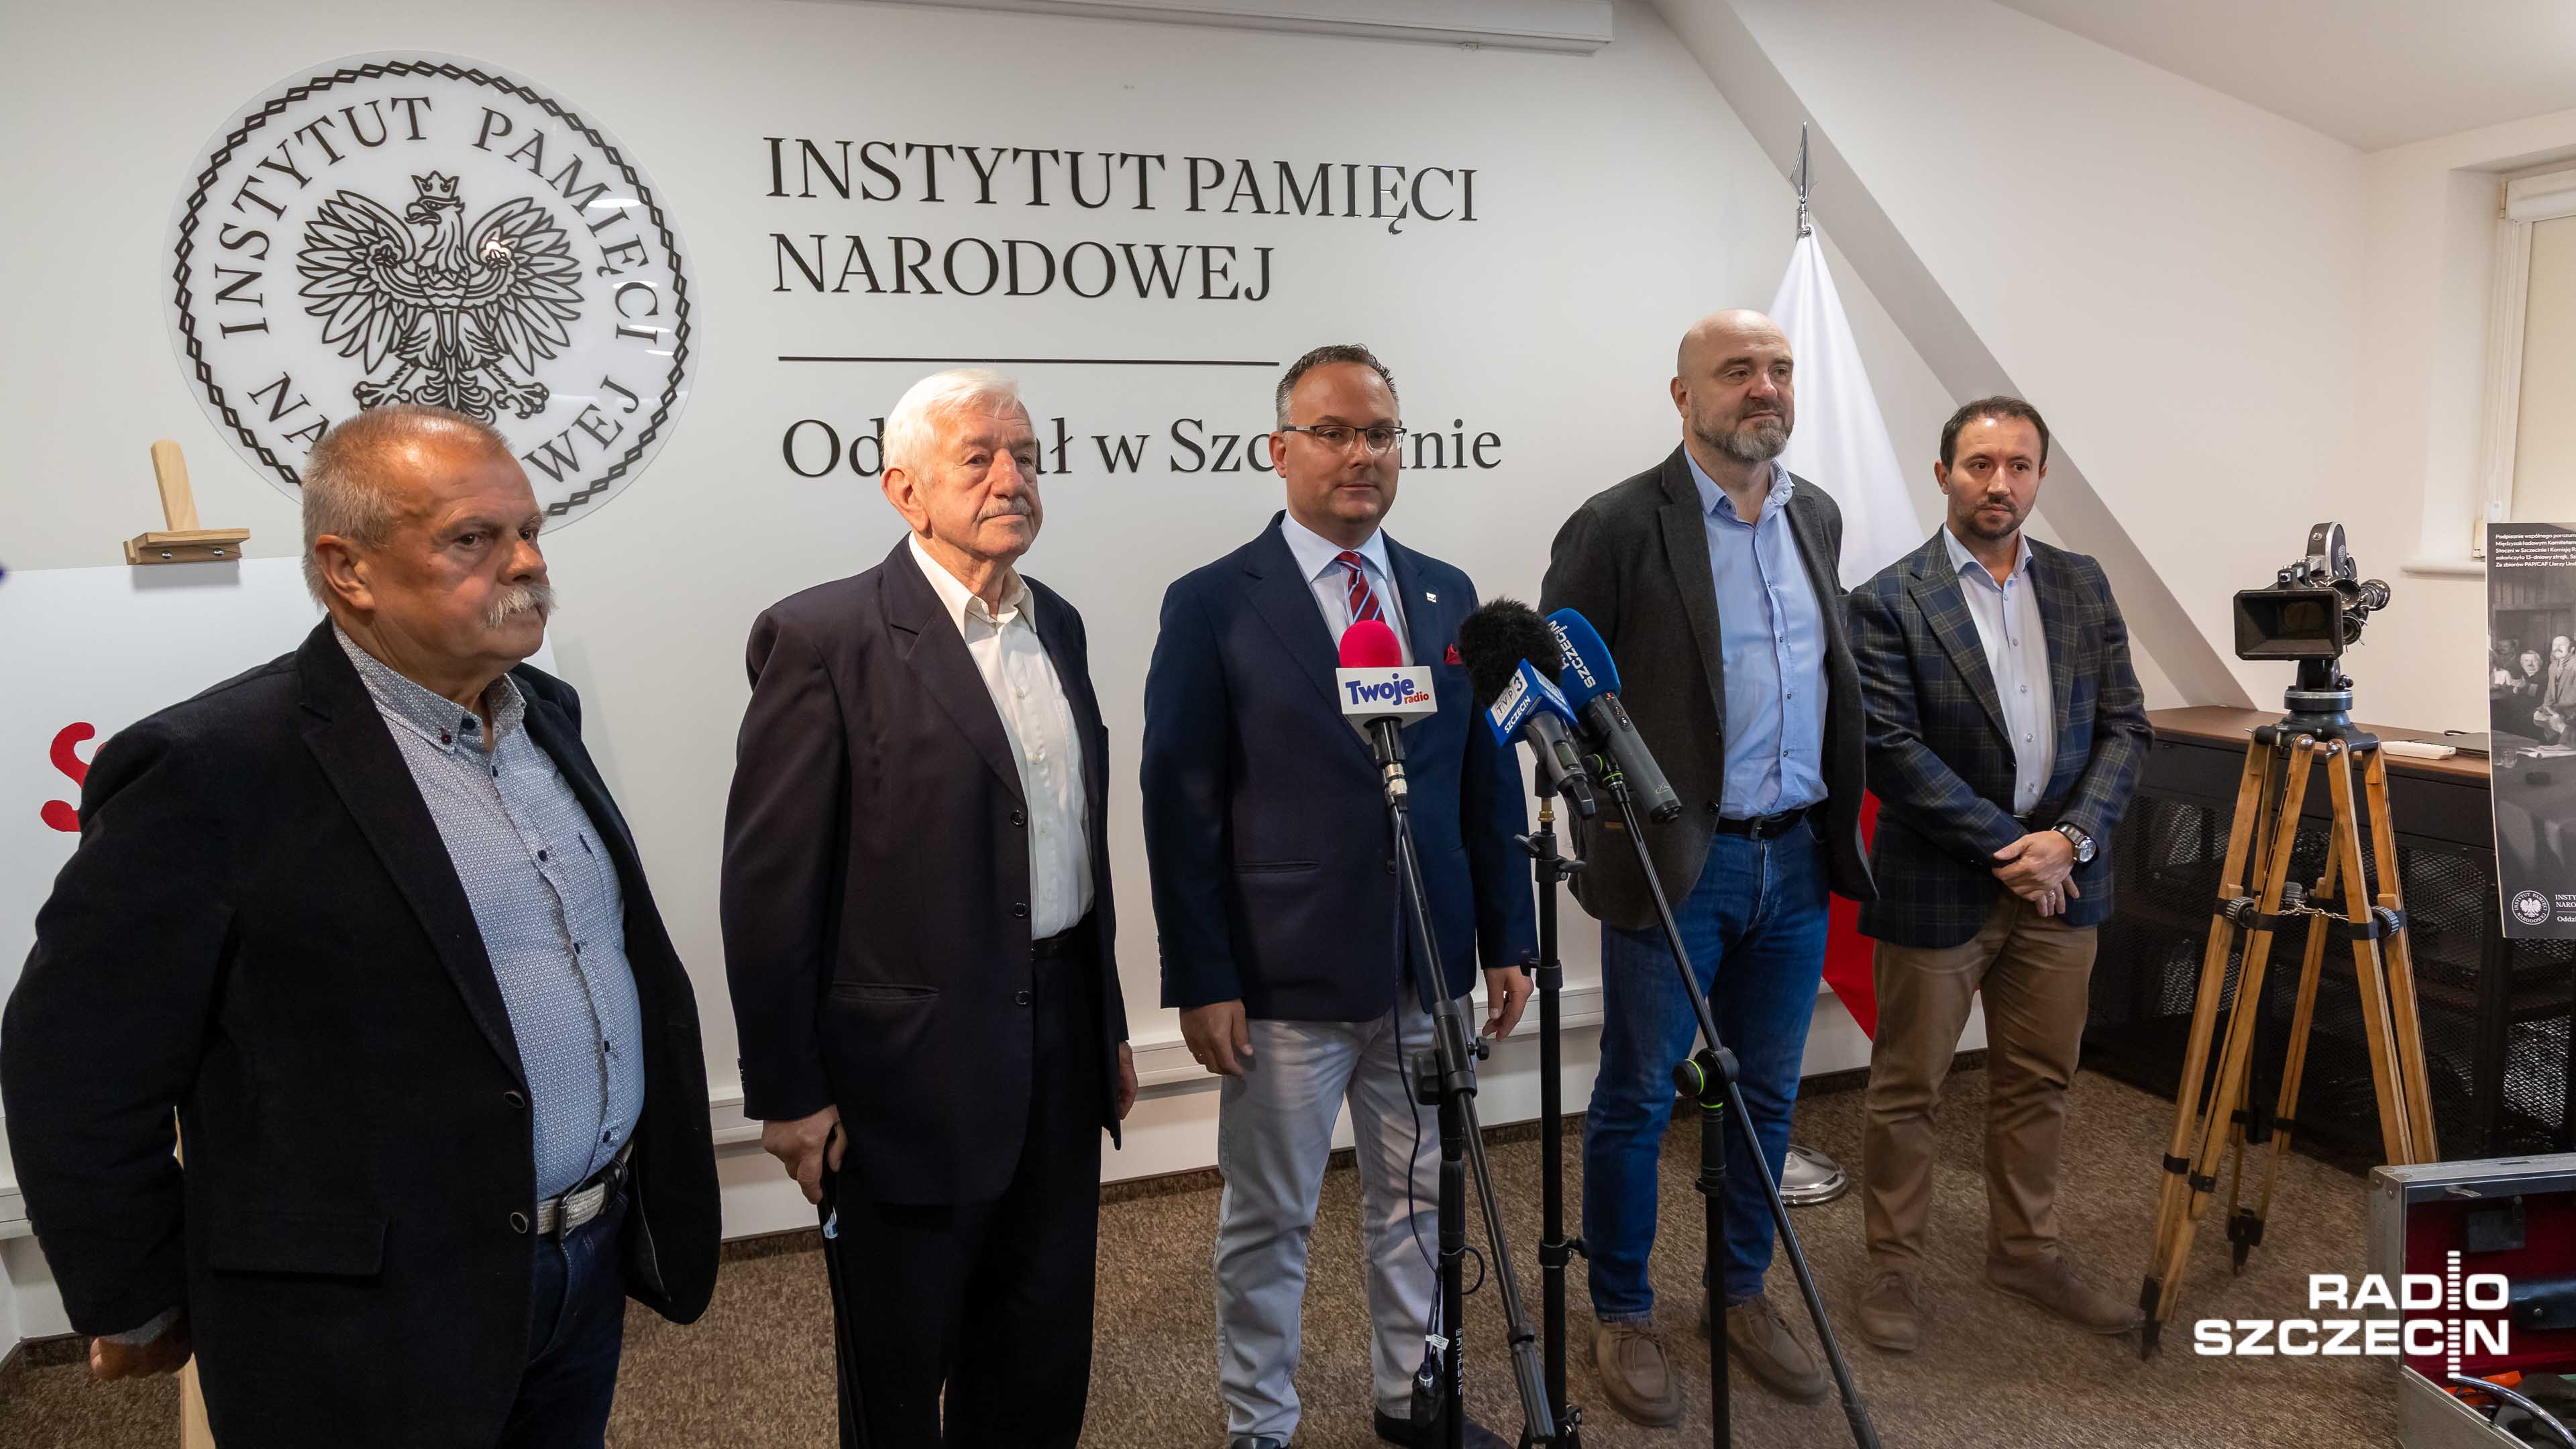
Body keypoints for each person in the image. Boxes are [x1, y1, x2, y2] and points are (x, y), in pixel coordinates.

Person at [1, 405, 720, 1447]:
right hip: (363, 1322)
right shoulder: (210, 768)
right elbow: (76, 1063)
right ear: (348, 569)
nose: (527, 561)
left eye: (529, 530)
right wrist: (139, 1294)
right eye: (474, 537)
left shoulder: (543, 716)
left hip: (583, 1264)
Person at [721, 370, 1134, 1448]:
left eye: (1027, 456)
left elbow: (1073, 844)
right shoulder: (822, 637)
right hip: (905, 1078)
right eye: (979, 459)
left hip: (1059, 1043)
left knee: (1042, 1349)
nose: (1012, 479)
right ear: (905, 490)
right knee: (901, 1373)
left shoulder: (1060, 624)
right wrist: (788, 1091)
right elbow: (770, 886)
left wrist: (1106, 1026)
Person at [1142, 343, 1536, 1449]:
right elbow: (1180, 805)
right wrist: (1203, 975)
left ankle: (1414, 1400)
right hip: (1283, 977)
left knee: (1418, 1202)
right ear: (1280, 451)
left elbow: (1480, 780)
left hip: (1425, 964)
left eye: (1380, 434)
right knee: (1272, 1219)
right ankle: (1260, 1425)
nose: (1362, 455)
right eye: (1334, 433)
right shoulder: (1213, 603)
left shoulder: (1444, 593)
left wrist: (1506, 935)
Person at [1538, 309, 1874, 1421]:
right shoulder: (1617, 524)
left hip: (1796, 858)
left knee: (1766, 1094)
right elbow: (1558, 695)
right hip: (1677, 864)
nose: (1764, 388)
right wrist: (1613, 827)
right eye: (1738, 371)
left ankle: (1740, 1293)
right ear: (1683, 395)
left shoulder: (1815, 515)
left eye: (1779, 369)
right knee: (1639, 1094)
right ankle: (1623, 1311)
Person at [1843, 396, 2153, 1353]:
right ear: (1944, 475)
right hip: (1942, 884)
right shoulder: (1888, 599)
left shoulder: (2081, 583)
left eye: (2019, 465)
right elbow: (1890, 751)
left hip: (2065, 887)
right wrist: (2015, 851)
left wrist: (2072, 839)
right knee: (1909, 1089)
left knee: (2039, 1082)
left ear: (2040, 477)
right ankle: (1893, 1269)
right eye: (1979, 464)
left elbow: (2125, 727)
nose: (1999, 483)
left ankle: (2026, 1251)